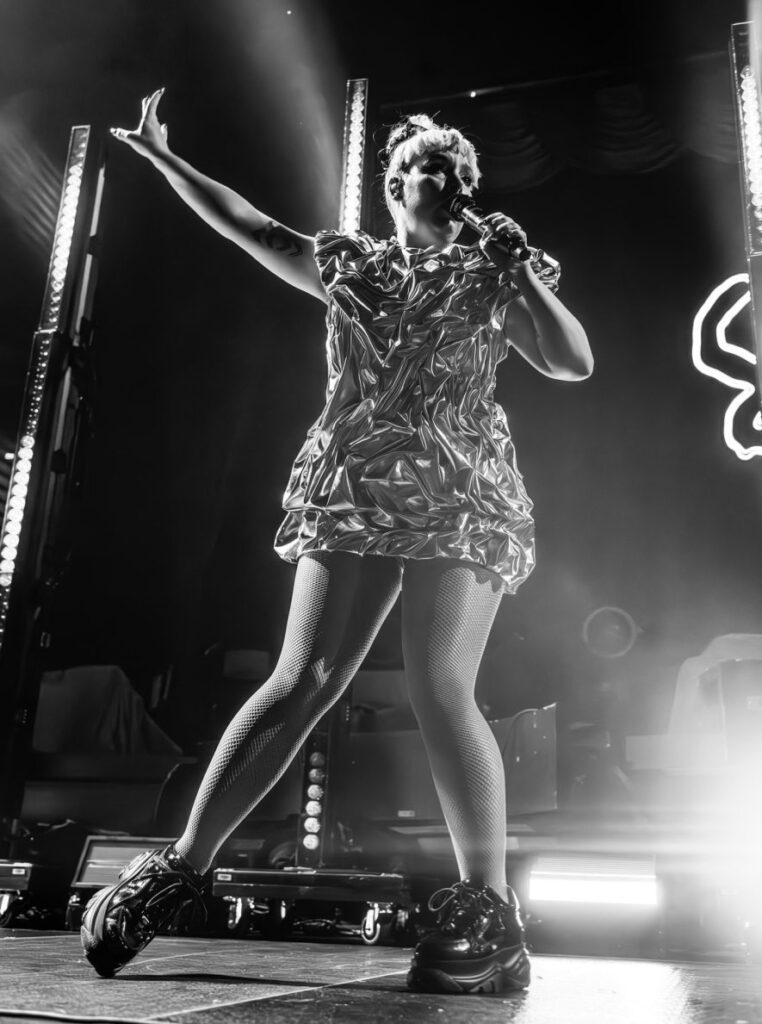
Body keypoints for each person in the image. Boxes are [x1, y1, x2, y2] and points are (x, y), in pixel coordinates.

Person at [81, 89, 593, 995]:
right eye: (405, 169)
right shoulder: (350, 264)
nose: (418, 177)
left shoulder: (490, 270)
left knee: (439, 684)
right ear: (389, 190)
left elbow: (571, 360)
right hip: (354, 482)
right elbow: (256, 228)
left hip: (459, 486)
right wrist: (167, 162)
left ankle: (490, 913)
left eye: (438, 166)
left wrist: (522, 275)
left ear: (462, 185)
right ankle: (179, 868)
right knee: (303, 677)